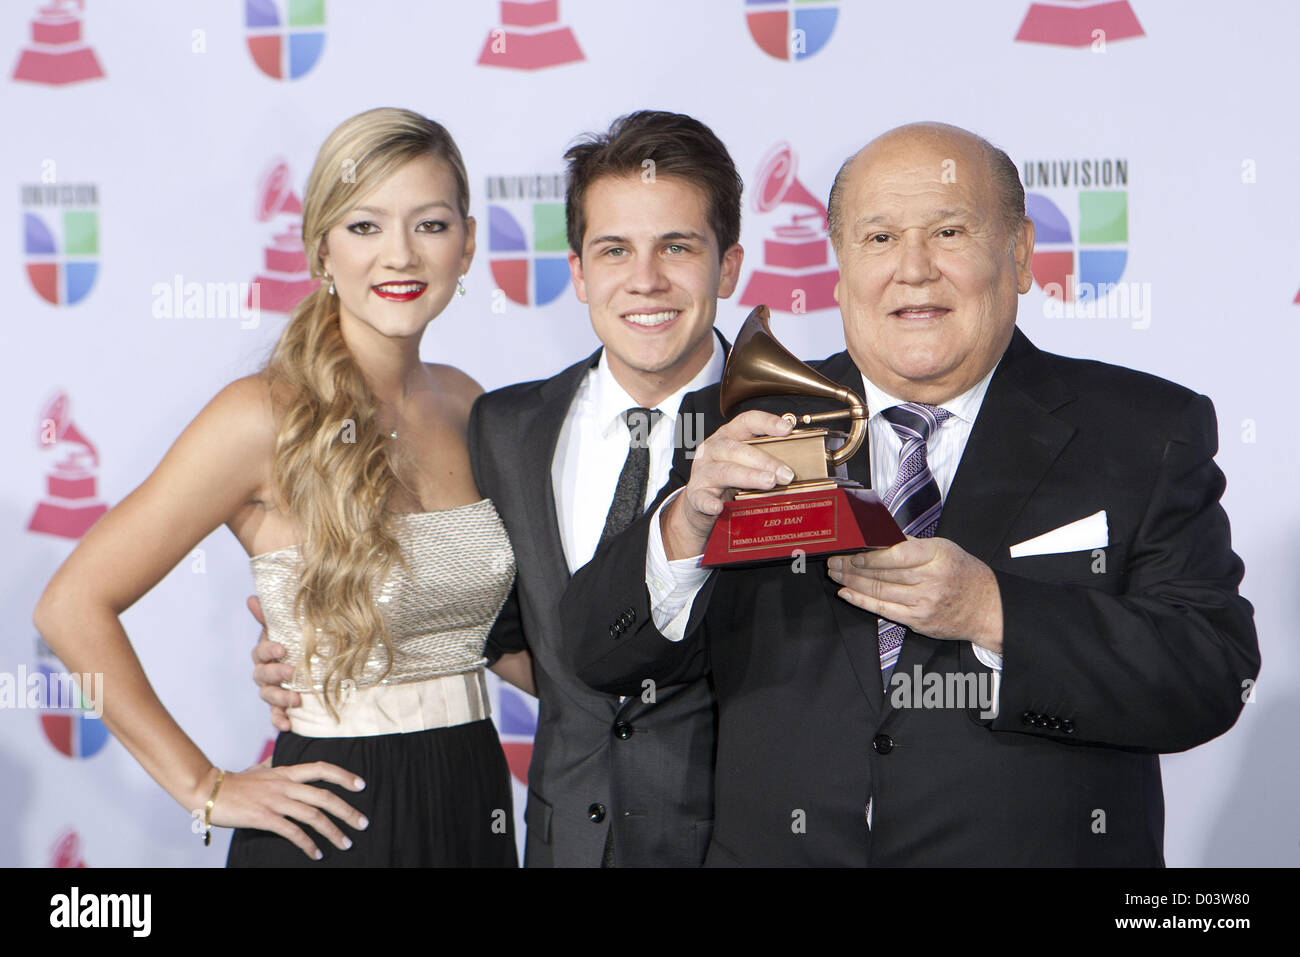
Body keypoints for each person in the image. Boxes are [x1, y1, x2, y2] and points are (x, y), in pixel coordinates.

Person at [561, 122, 1261, 866]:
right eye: (879, 238)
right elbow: (600, 654)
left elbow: (1211, 673)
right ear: (839, 267)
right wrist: (685, 525)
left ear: (1020, 252)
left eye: (949, 232)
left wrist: (993, 611)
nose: (914, 269)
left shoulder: (1144, 430)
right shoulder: (743, 423)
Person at [34, 107, 529, 867]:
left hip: (474, 795)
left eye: (429, 225)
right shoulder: (260, 416)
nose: (400, 254)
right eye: (365, 226)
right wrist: (204, 786)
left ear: (466, 244)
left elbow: (506, 642)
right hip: (334, 818)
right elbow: (70, 605)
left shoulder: (468, 403)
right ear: (321, 248)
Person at [253, 109, 744, 866]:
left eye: (677, 246)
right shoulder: (506, 427)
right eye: (615, 249)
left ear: (729, 267)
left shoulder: (791, 430)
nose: (645, 278)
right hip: (551, 844)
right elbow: (516, 635)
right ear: (577, 271)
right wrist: (316, 631)